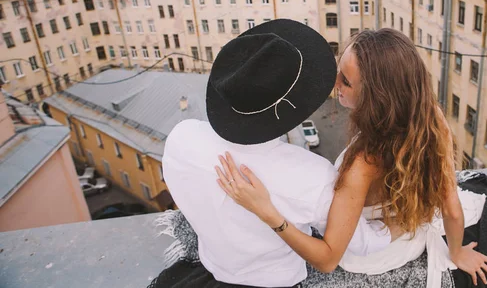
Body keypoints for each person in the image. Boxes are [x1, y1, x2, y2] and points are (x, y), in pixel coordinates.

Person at [215, 29, 487, 288]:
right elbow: (451, 209)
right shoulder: (430, 117)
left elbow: (327, 260)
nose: (335, 83)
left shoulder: (363, 163)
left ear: (376, 97)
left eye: (346, 82)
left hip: (366, 254)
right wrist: (457, 251)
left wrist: (267, 213)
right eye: (339, 71)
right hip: (410, 233)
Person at [156, 20, 397, 288]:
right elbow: (359, 243)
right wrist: (406, 227)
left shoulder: (182, 137)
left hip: (213, 268)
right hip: (276, 282)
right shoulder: (311, 176)